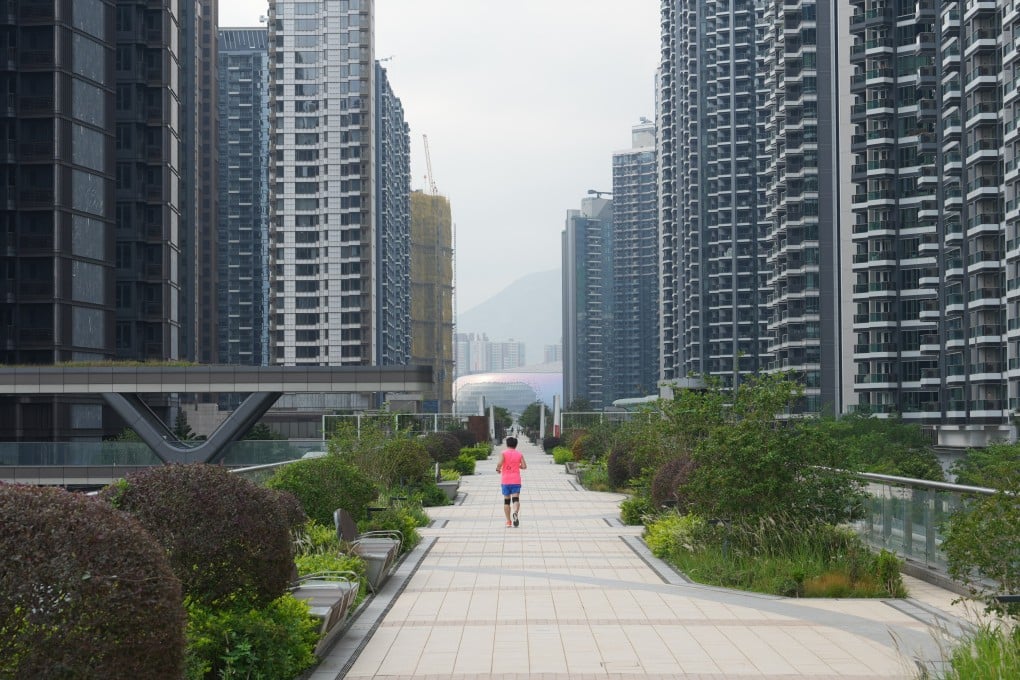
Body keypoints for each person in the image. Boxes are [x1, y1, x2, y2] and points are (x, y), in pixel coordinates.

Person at [495, 436, 526, 527]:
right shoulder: (519, 454)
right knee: (516, 499)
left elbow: (500, 463)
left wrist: (498, 469)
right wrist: (518, 466)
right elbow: (524, 466)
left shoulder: (503, 453)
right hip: (516, 480)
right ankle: (515, 512)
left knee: (506, 501)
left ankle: (508, 521)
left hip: (506, 480)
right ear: (516, 445)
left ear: (507, 444)